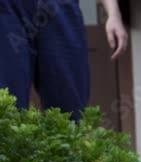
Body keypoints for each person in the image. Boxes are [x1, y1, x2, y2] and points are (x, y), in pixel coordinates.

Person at [0, 0, 128, 120]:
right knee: (8, 105)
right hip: (7, 10)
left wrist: (113, 13)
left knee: (70, 108)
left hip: (59, 8)